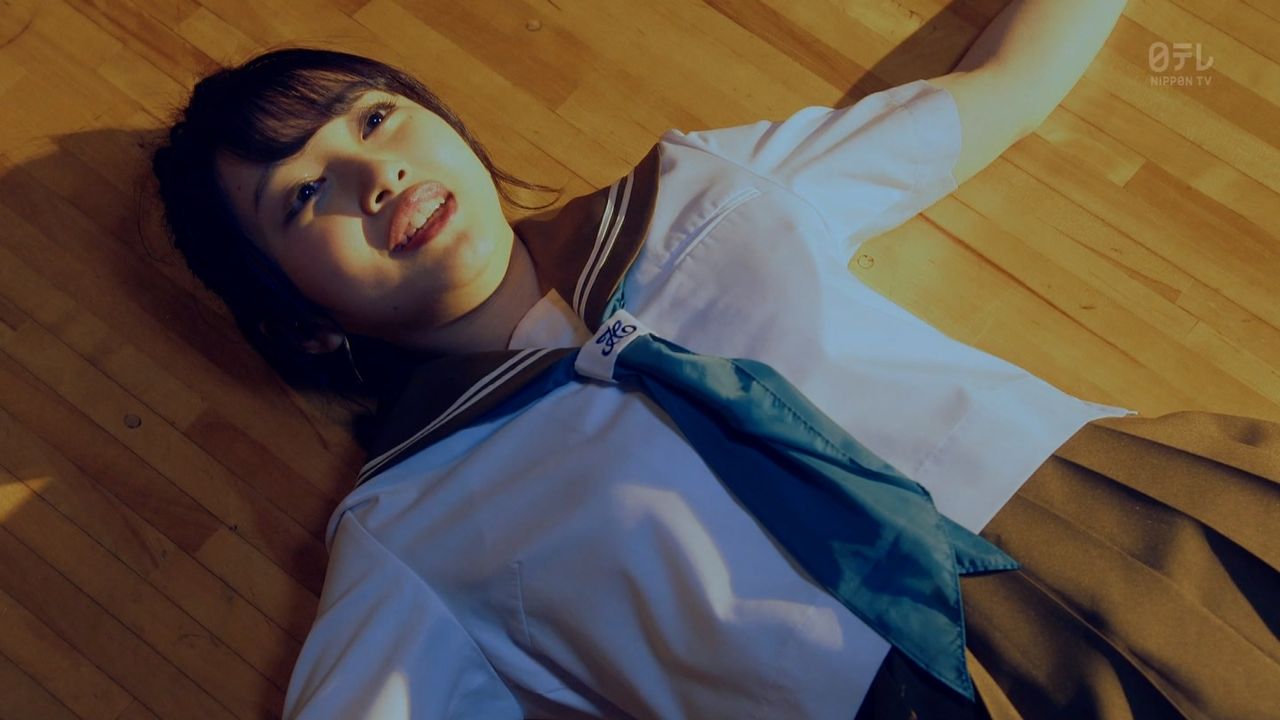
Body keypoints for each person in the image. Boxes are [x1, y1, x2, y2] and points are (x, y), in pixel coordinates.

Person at [149, 27, 1278, 720]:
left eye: (375, 118)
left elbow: (1004, 85)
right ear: (299, 324)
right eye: (303, 194)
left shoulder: (700, 188)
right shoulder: (406, 530)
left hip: (1126, 533)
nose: (376, 175)